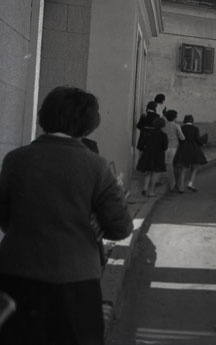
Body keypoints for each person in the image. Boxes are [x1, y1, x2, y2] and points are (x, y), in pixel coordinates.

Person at [0, 86, 133, 345]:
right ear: (89, 123)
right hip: (75, 279)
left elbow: (4, 217)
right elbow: (121, 228)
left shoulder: (15, 159)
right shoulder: (96, 166)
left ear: (44, 115)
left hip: (16, 273)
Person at [173, 115, 207, 192]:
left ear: (184, 120)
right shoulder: (195, 128)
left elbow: (180, 138)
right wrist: (202, 141)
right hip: (194, 149)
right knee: (194, 167)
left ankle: (181, 187)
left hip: (183, 149)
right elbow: (197, 139)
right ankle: (190, 184)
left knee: (183, 169)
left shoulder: (182, 128)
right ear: (192, 120)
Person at [136, 117, 168, 197]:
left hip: (148, 154)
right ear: (163, 125)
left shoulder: (148, 133)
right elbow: (165, 147)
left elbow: (142, 143)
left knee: (148, 172)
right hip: (158, 155)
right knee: (155, 173)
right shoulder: (163, 135)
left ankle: (145, 188)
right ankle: (151, 191)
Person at [163, 110, 185, 192]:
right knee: (171, 165)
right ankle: (172, 184)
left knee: (166, 164)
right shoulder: (176, 125)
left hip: (164, 146)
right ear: (174, 117)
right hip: (173, 146)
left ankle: (168, 183)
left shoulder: (163, 125)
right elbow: (182, 137)